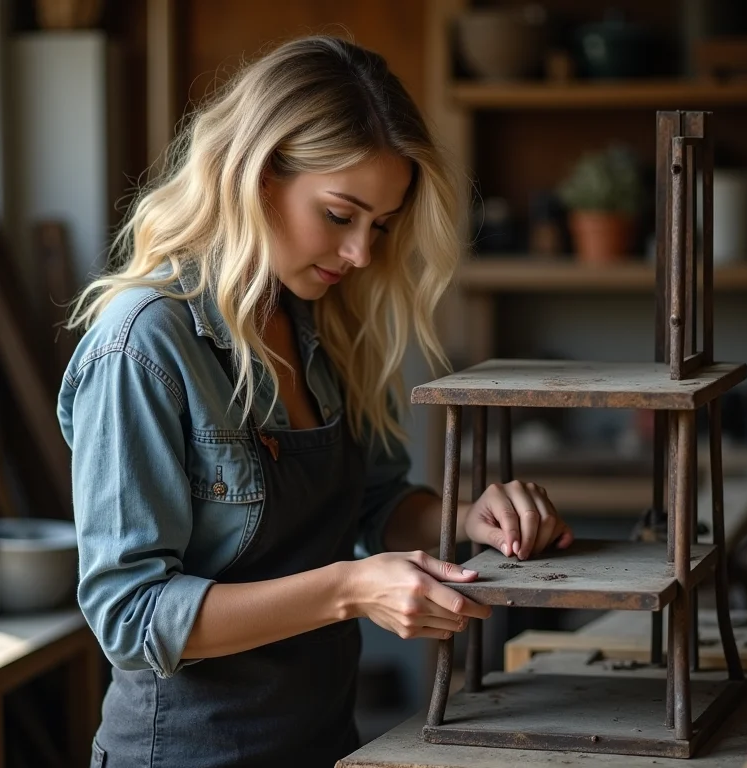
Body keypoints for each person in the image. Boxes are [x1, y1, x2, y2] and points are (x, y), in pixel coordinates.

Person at [57, 35, 574, 768]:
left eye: (381, 226)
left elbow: (374, 504)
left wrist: (466, 518)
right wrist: (350, 590)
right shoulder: (144, 342)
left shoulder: (321, 322)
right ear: (256, 176)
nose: (362, 254)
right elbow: (131, 616)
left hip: (325, 742)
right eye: (340, 215)